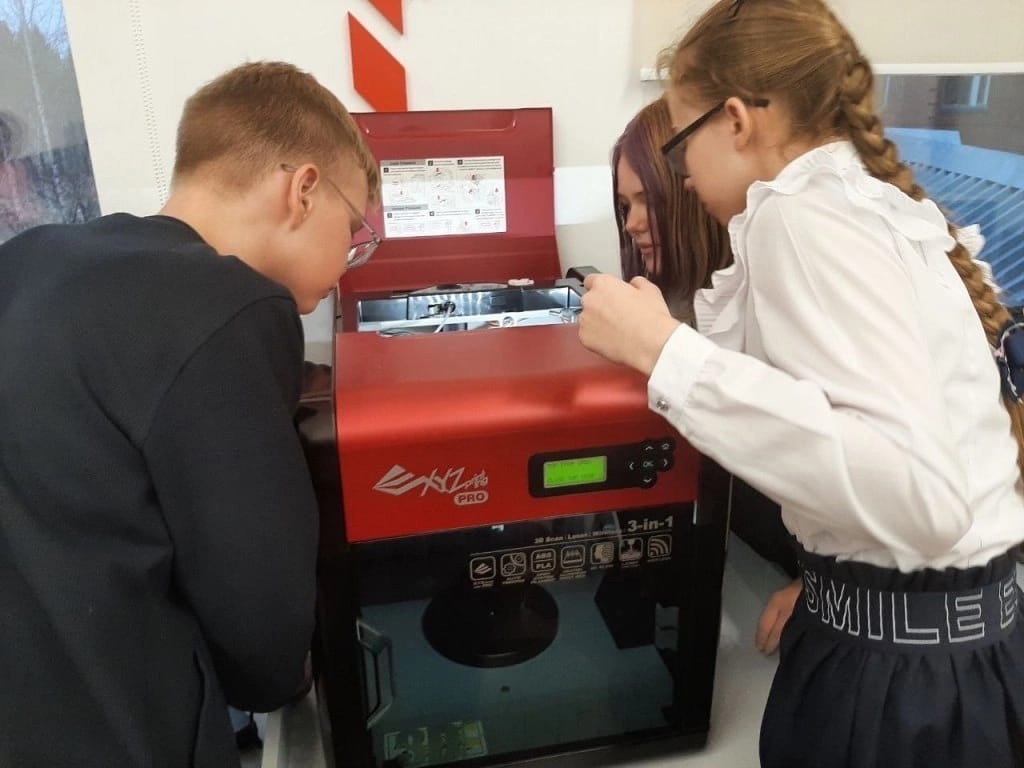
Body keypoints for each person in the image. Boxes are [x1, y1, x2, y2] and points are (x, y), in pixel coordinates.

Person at [579, 0, 1024, 765]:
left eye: (680, 147)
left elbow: (921, 497)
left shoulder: (799, 214)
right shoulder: (865, 205)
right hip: (955, 651)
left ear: (736, 121)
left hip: (900, 688)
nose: (682, 177)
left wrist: (666, 353)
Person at [0, 61, 381, 767]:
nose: (349, 262)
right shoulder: (233, 307)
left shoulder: (30, 261)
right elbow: (263, 628)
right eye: (354, 230)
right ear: (303, 190)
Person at [613, 96, 802, 654]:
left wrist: (828, 582)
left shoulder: (774, 296)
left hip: (825, 573)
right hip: (738, 552)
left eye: (648, 200)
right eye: (624, 205)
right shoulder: (668, 297)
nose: (632, 223)